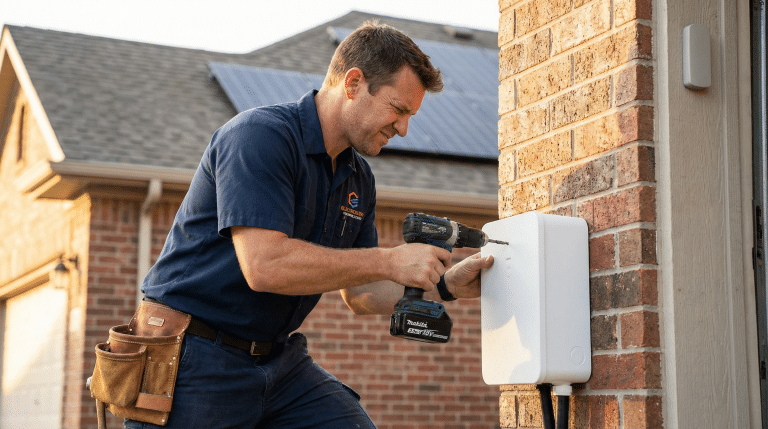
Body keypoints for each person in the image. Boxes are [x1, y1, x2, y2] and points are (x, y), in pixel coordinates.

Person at [128, 20, 494, 429]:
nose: (404, 129)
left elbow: (362, 293)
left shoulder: (358, 178)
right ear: (354, 83)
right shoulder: (259, 138)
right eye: (398, 109)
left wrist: (445, 286)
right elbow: (265, 266)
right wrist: (389, 260)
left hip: (278, 363)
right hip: (193, 355)